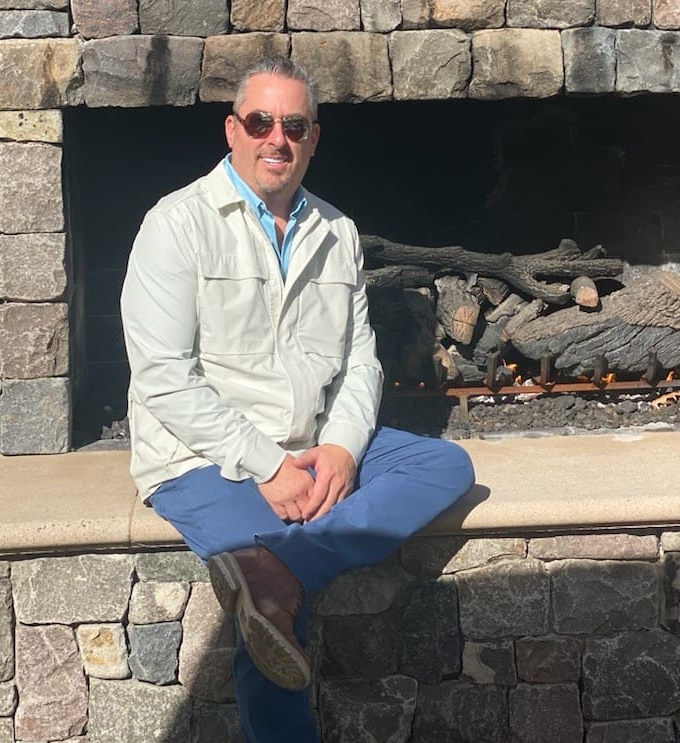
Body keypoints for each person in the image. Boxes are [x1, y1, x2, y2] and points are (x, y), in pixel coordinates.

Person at [120, 56, 475, 740]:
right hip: (201, 457)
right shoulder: (176, 225)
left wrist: (341, 448)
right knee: (277, 620)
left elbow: (358, 359)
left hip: (310, 441)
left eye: (293, 124)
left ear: (314, 137)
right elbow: (163, 374)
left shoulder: (336, 232)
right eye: (260, 121)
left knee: (444, 466)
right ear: (233, 130)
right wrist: (267, 466)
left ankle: (279, 573)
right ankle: (278, 582)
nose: (275, 138)